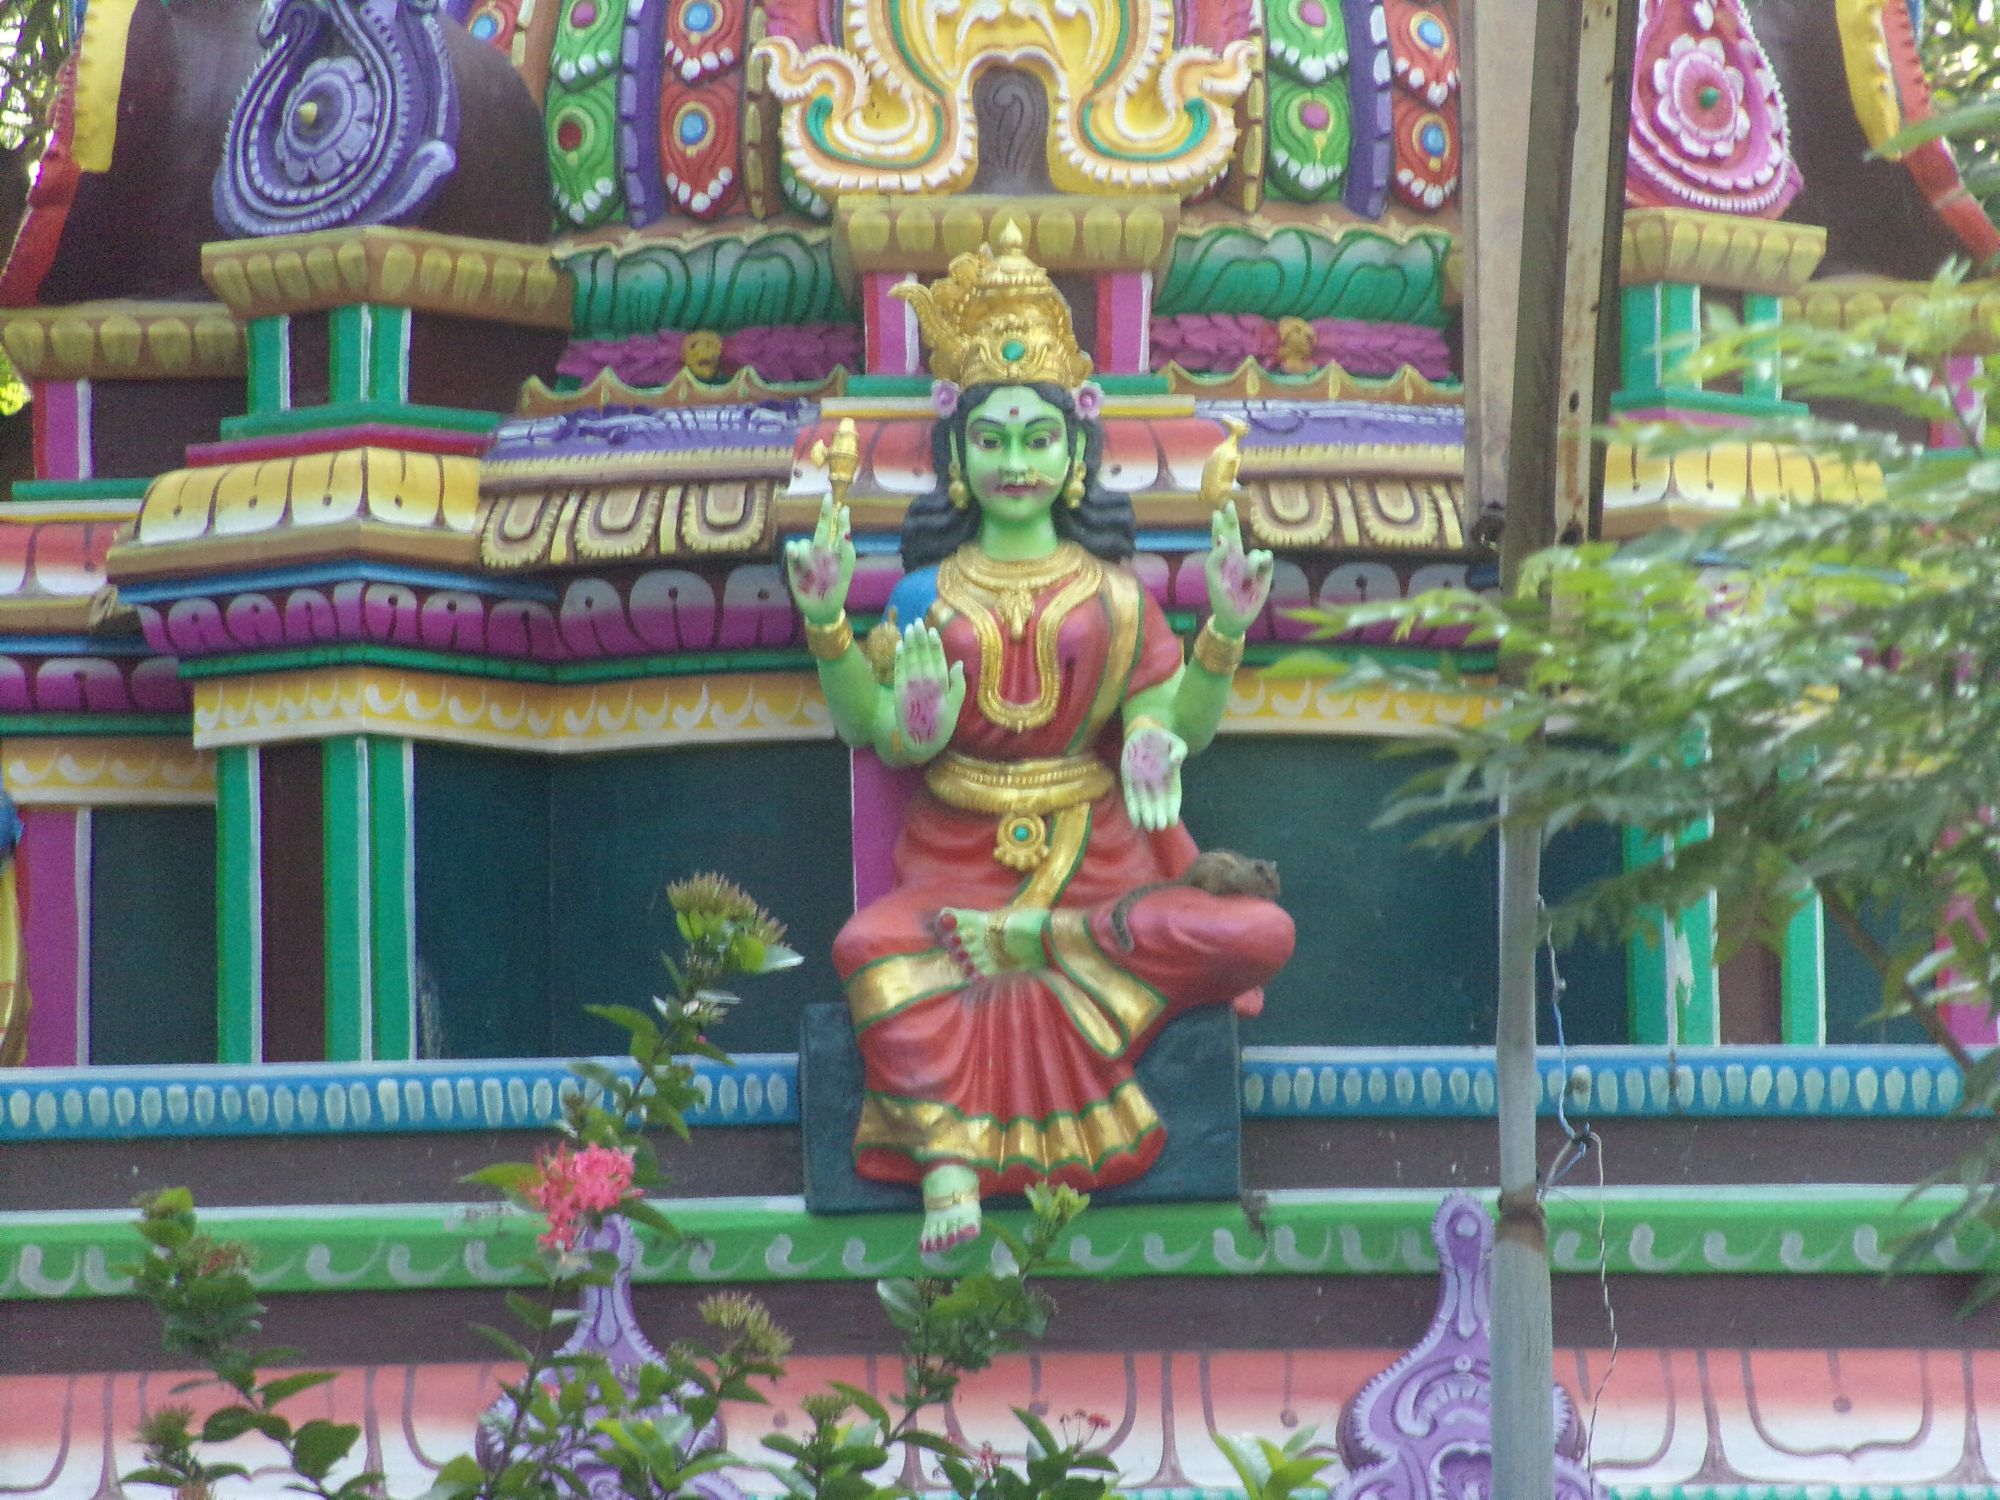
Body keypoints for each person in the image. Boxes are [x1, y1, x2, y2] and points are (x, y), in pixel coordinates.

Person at [785, 225, 1294, 1252]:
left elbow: (1169, 727)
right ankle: (948, 1162)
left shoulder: (1116, 594)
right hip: (955, 861)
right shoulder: (926, 596)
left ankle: (1041, 947)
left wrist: (1222, 638)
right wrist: (832, 627)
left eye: (1035, 439)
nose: (1014, 461)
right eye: (992, 439)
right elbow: (870, 727)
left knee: (1258, 934)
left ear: (1073, 453)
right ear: (958, 457)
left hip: (1097, 864)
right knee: (866, 950)